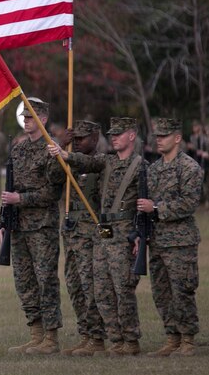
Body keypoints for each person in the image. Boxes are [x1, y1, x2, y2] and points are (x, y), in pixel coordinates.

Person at [50, 116, 145, 356]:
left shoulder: (140, 165)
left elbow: (144, 203)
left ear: (131, 136)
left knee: (122, 289)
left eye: (119, 133)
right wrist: (65, 153)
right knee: (101, 290)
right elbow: (85, 162)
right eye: (112, 133)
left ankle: (130, 340)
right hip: (105, 231)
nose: (113, 137)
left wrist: (139, 236)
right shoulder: (107, 161)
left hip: (124, 232)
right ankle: (115, 340)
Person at [0, 98, 65, 355]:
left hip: (42, 225)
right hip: (19, 224)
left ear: (43, 119)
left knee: (45, 279)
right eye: (24, 117)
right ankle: (35, 334)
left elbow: (53, 193)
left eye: (31, 117)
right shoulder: (18, 149)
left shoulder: (51, 149)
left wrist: (22, 199)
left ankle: (51, 337)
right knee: (24, 280)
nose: (26, 121)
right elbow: (9, 188)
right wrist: (4, 219)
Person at [138, 117, 202, 357]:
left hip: (180, 242)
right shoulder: (153, 169)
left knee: (182, 290)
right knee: (161, 291)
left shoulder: (189, 168)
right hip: (157, 241)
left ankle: (188, 339)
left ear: (177, 138)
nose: (159, 140)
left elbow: (188, 203)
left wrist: (155, 209)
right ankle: (172, 337)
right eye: (157, 136)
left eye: (164, 136)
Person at [59, 120, 106, 357]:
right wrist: (60, 145)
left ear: (95, 138)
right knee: (75, 286)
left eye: (82, 138)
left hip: (91, 237)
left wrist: (67, 156)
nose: (77, 143)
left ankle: (97, 337)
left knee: (91, 287)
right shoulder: (70, 161)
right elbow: (51, 175)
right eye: (74, 139)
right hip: (71, 236)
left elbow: (92, 163)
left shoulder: (101, 161)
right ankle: (85, 335)